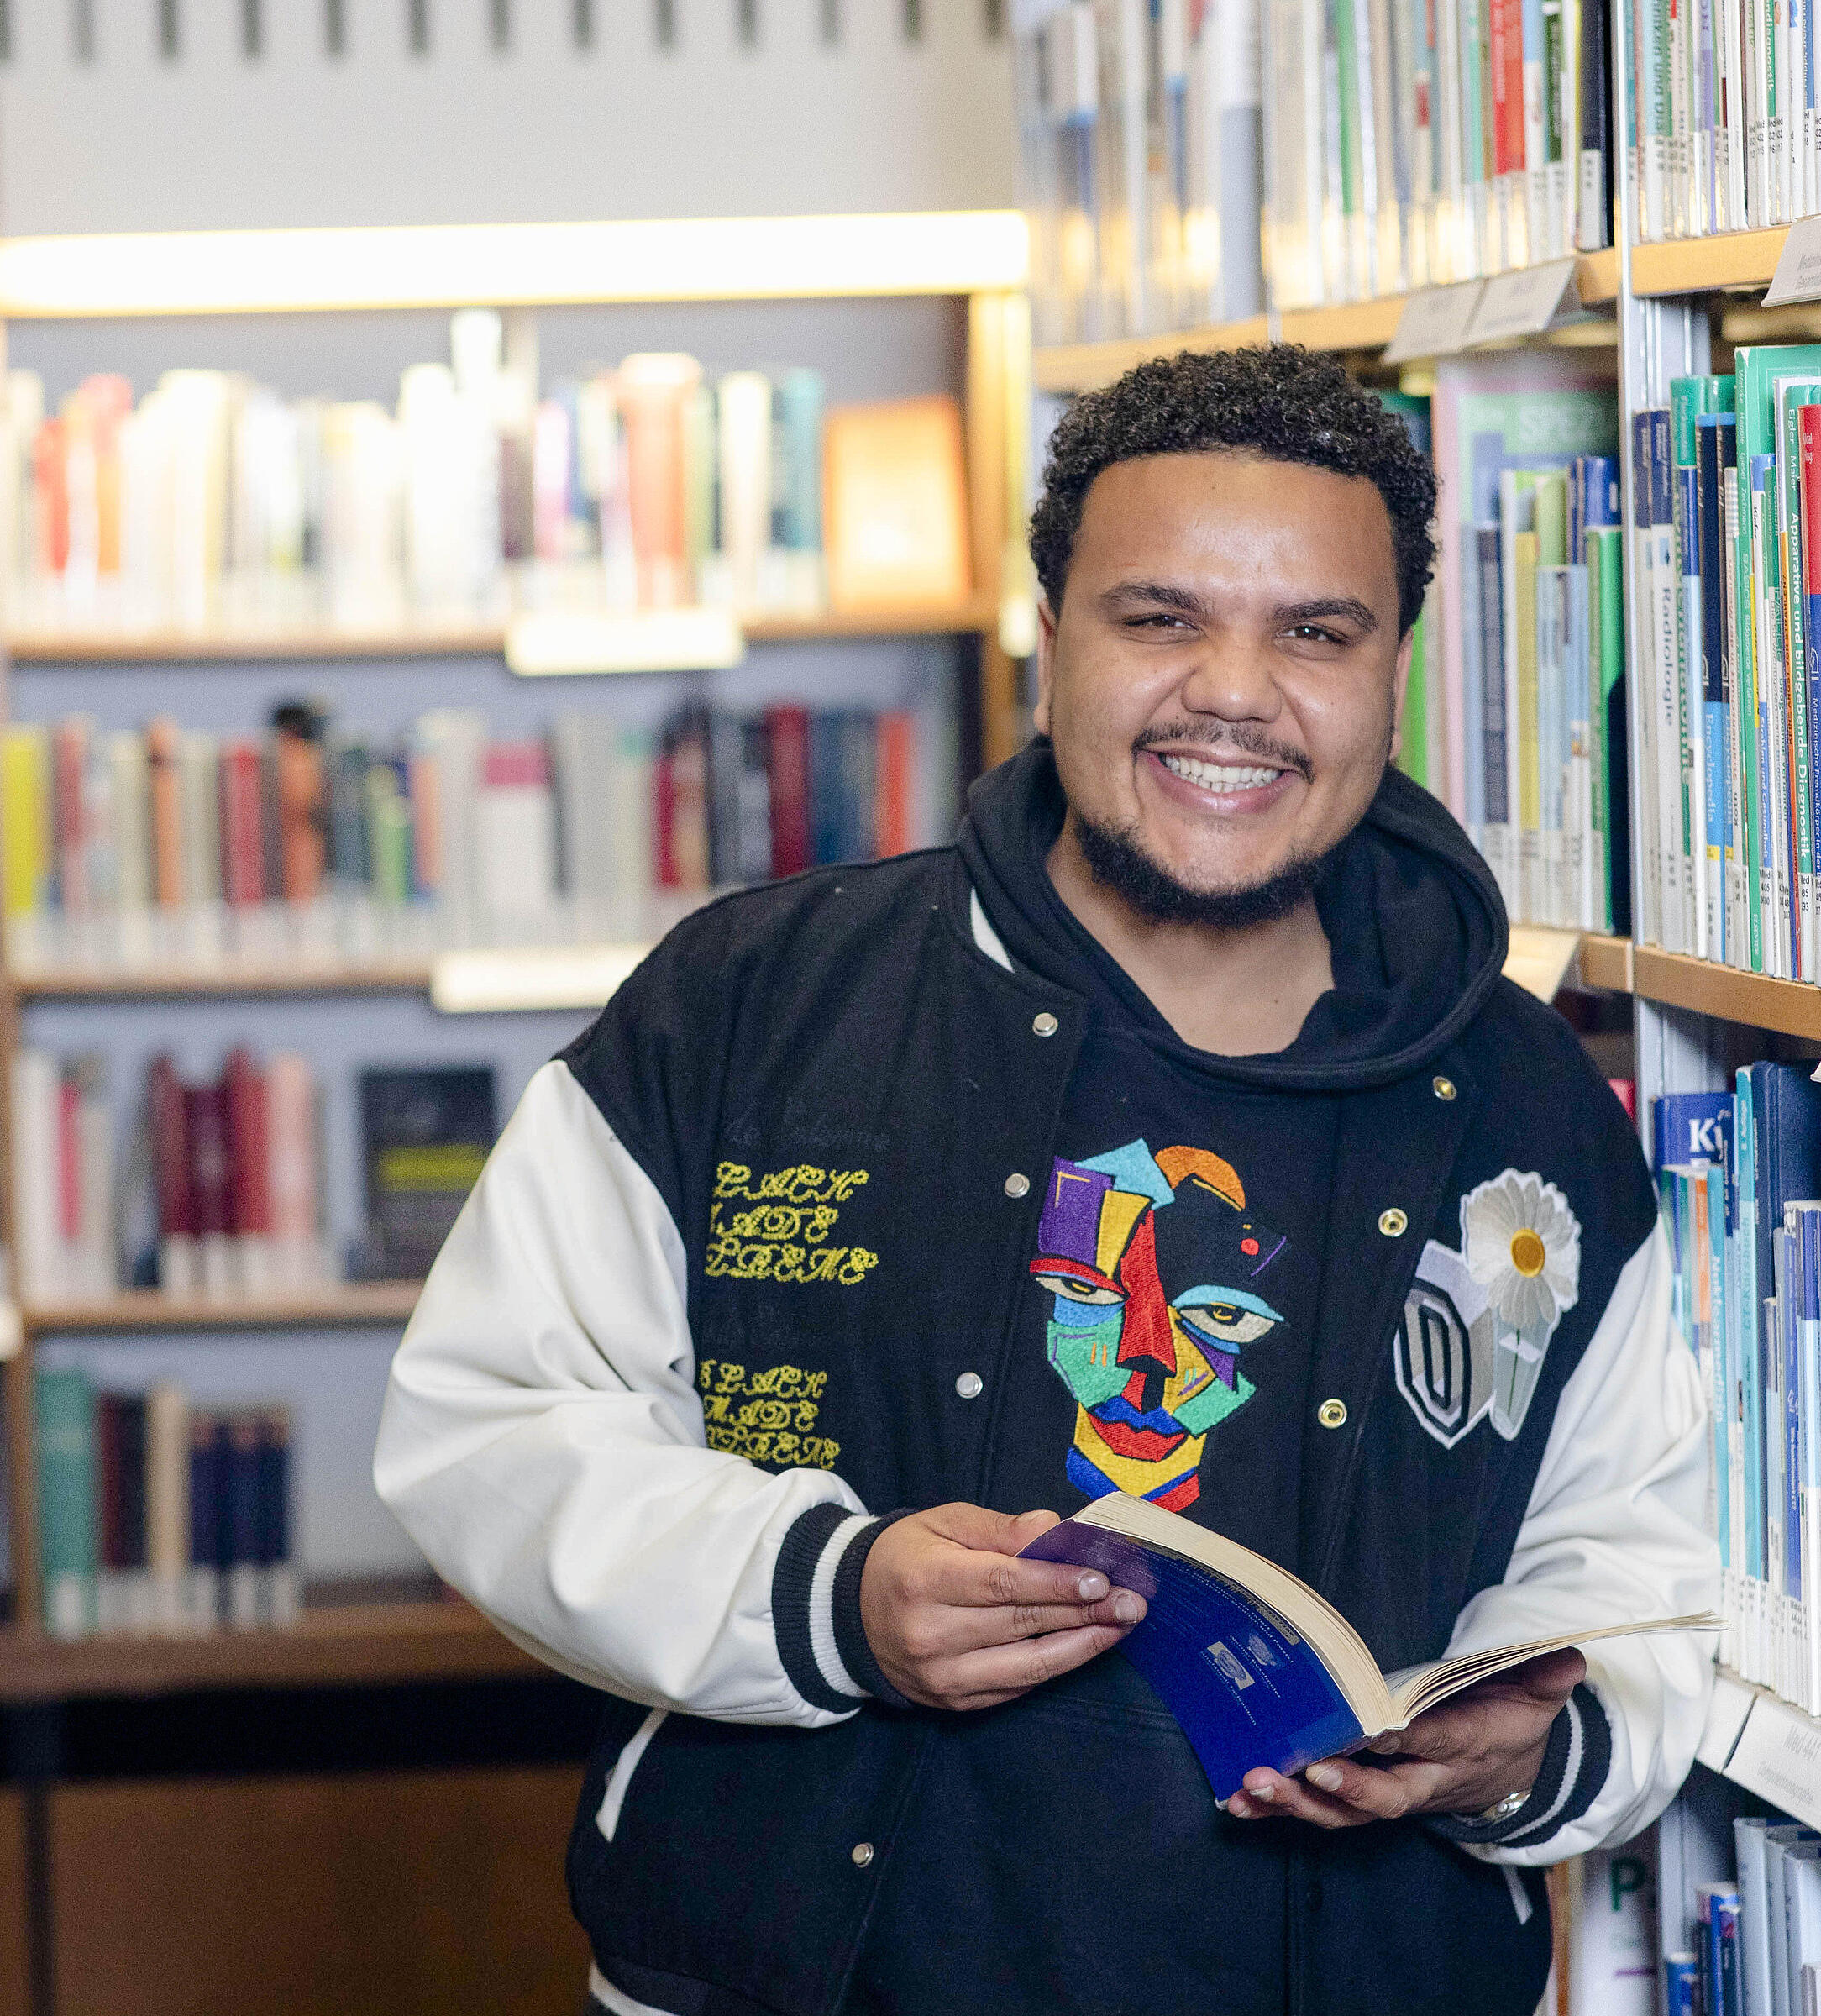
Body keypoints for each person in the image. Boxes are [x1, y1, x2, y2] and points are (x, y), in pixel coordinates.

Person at [375, 344, 1716, 2016]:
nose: (1234, 690)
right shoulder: (756, 1004)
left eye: (1316, 631)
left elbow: (1639, 1556)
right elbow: (490, 1424)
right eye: (1160, 618)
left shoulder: (1527, 1101)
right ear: (1050, 638)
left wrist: (1514, 1759)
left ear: (1394, 674)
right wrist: (829, 1598)